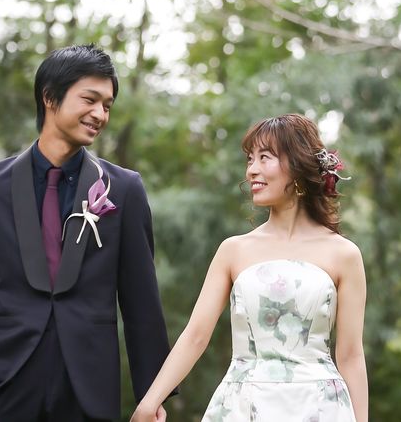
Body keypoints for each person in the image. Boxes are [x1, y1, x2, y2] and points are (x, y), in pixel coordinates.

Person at [0, 44, 174, 422]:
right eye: (90, 99)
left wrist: (152, 396)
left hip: (90, 388)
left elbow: (141, 302)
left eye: (107, 105)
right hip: (6, 382)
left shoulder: (124, 189)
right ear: (50, 97)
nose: (100, 114)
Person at [131, 113, 368, 422]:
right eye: (250, 159)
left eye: (264, 157)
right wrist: (150, 401)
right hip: (244, 405)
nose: (252, 169)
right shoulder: (234, 250)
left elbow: (350, 355)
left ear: (298, 165)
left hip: (320, 407)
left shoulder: (344, 254)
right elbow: (196, 335)